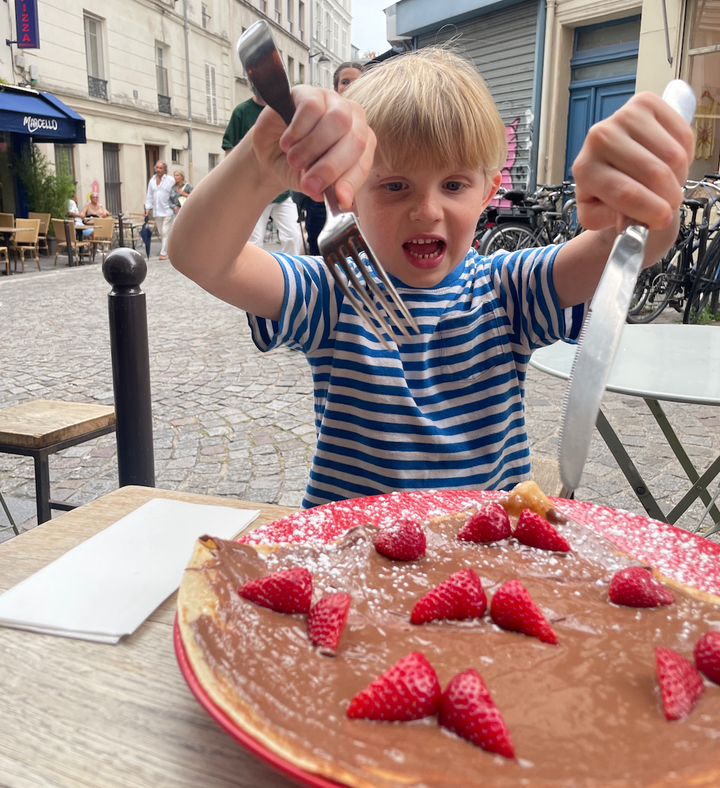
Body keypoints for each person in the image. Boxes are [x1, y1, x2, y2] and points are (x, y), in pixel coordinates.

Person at [169, 48, 692, 509]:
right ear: (348, 190)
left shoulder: (508, 289)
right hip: (354, 562)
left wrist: (644, 200)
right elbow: (201, 257)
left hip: (482, 562)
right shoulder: (333, 289)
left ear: (488, 192)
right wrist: (259, 166)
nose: (426, 210)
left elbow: (624, 250)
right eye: (395, 185)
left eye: (454, 184)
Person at [222, 88, 303, 255]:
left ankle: (292, 274)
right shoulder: (242, 111)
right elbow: (229, 151)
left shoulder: (284, 110)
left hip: (281, 190)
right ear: (250, 84)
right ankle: (252, 279)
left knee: (293, 236)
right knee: (254, 241)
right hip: (253, 190)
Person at [304, 61, 364, 254]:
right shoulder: (320, 119)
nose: (351, 86)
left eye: (358, 82)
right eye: (346, 81)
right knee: (319, 251)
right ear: (336, 88)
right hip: (323, 202)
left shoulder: (378, 119)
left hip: (363, 203)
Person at [144, 160, 174, 260]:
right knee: (162, 232)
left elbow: (176, 191)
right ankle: (171, 249)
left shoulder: (170, 180)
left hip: (168, 210)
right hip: (157, 211)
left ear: (165, 170)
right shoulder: (152, 181)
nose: (158, 170)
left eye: (160, 168)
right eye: (157, 167)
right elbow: (149, 196)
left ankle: (163, 253)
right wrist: (147, 209)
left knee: (165, 232)